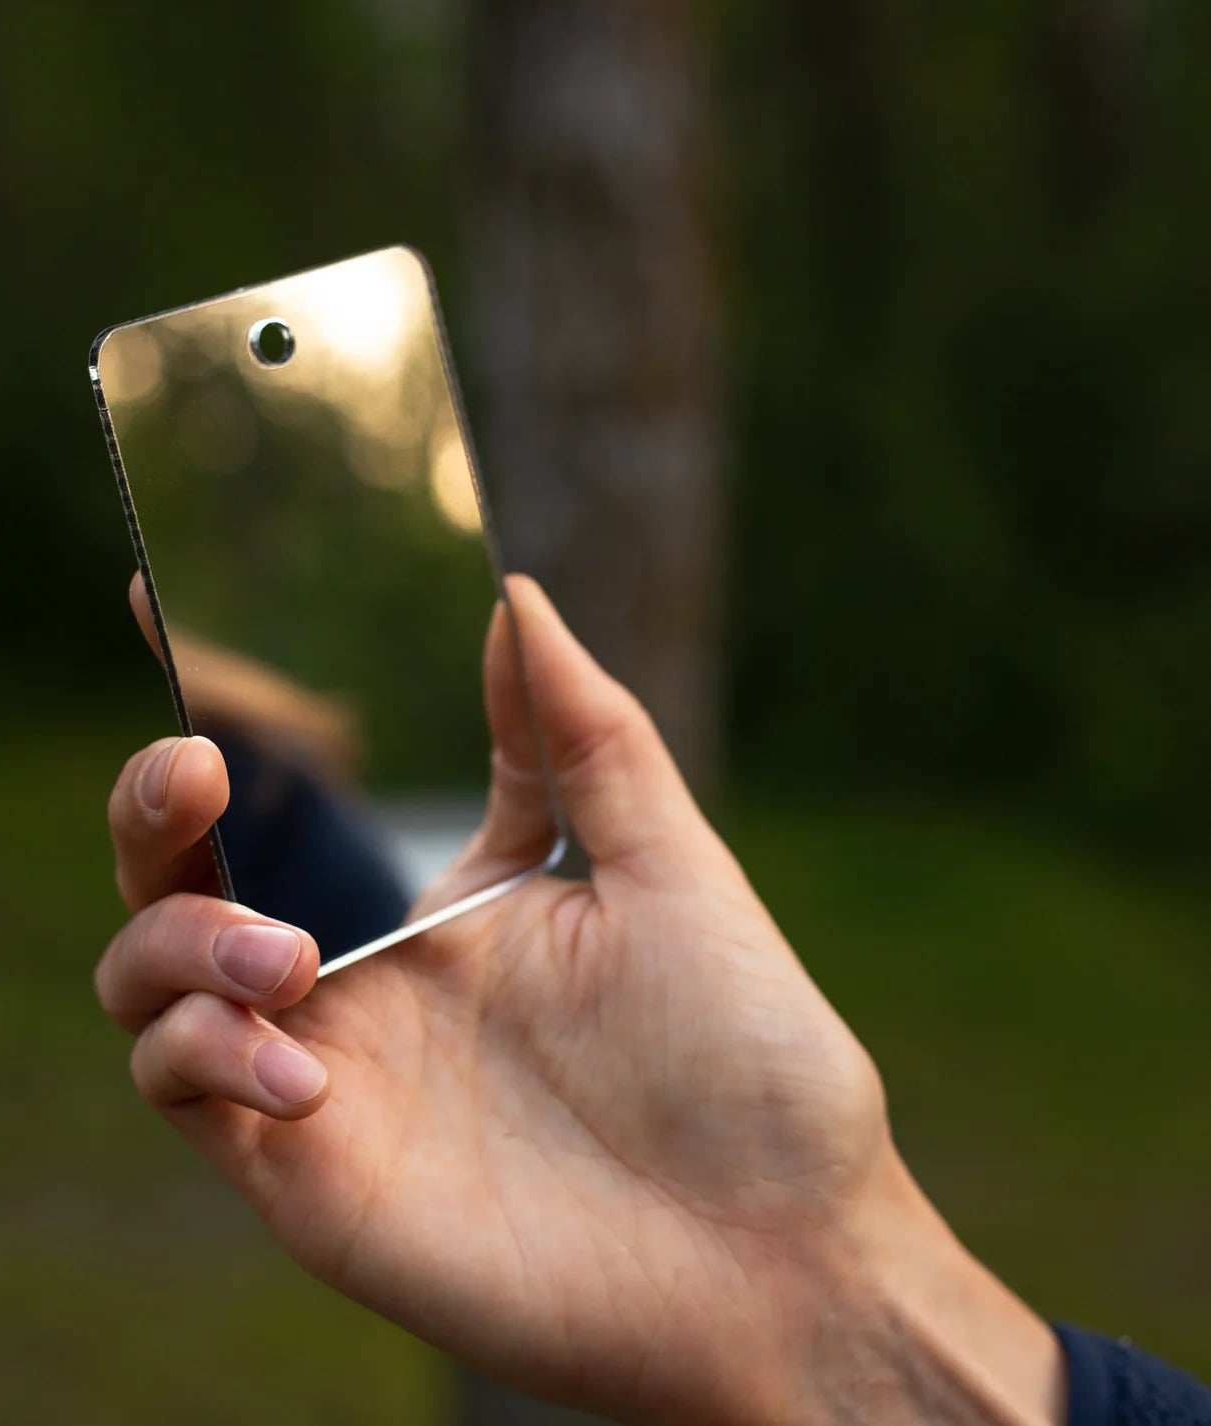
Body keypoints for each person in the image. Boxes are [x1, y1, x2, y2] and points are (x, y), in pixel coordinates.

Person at [96, 575, 1210, 1425]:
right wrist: (834, 1306)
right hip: (363, 1022)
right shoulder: (277, 752)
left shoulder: (241, 761)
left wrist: (826, 1279)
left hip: (354, 1011)